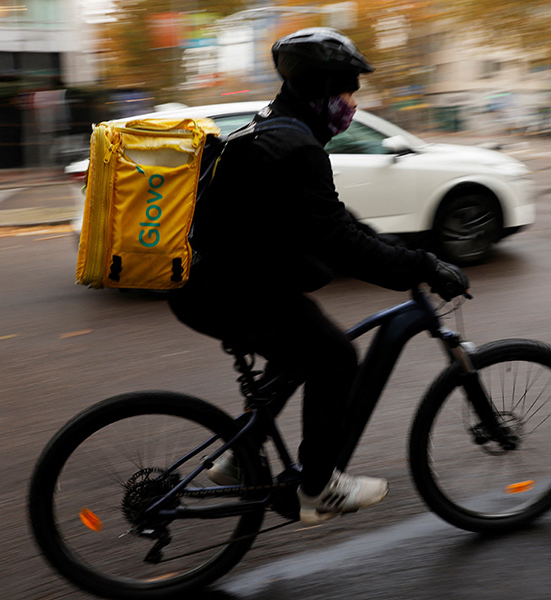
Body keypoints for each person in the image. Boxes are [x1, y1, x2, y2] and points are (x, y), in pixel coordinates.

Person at [168, 27, 469, 526]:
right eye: (347, 91)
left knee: (297, 348)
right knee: (332, 356)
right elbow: (340, 243)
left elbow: (331, 220)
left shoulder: (273, 125)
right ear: (323, 88)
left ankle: (238, 459)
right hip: (226, 290)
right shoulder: (296, 146)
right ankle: (318, 485)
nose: (351, 103)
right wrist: (422, 267)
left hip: (218, 282)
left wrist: (406, 253)